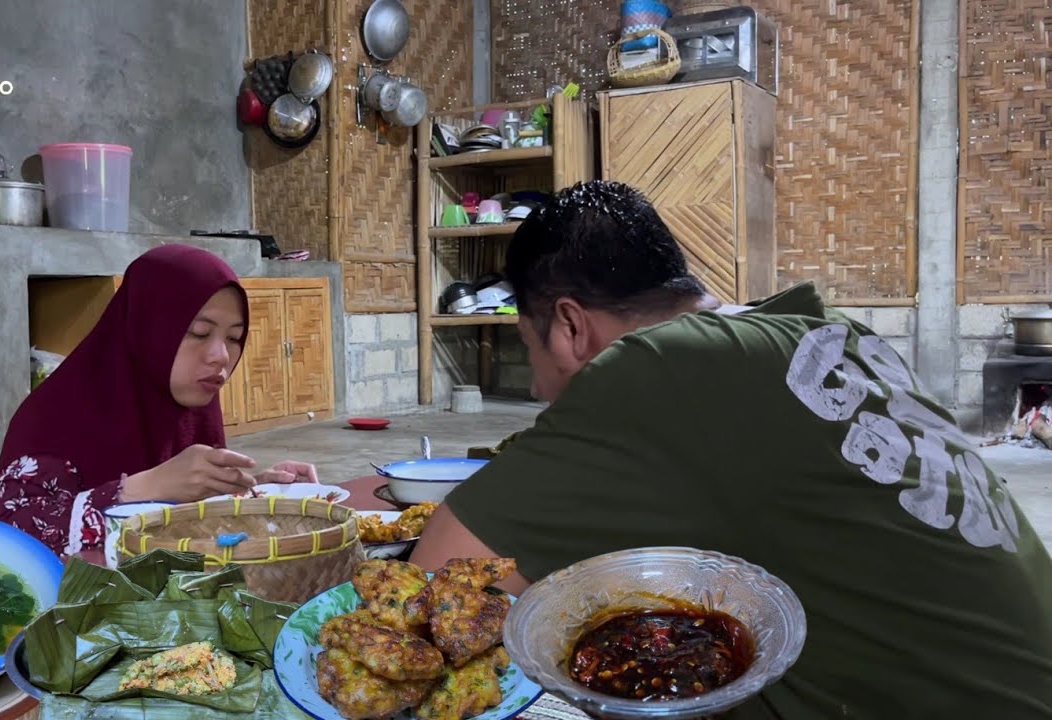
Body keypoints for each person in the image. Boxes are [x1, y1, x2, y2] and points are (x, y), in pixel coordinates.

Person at [410, 181, 1052, 718]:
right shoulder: (825, 335)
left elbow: (440, 574)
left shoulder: (655, 369)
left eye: (530, 349)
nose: (540, 387)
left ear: (572, 326)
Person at [0, 244, 317, 556]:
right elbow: (3, 536)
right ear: (147, 327)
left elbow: (188, 526)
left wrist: (255, 493)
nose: (221, 356)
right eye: (199, 333)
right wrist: (141, 488)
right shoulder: (57, 417)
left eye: (234, 337)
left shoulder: (188, 407)